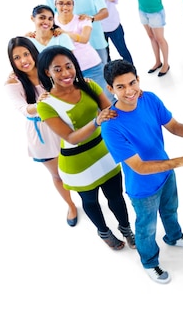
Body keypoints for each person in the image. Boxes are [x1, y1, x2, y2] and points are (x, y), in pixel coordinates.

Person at [101, 60, 183, 284]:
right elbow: (138, 166)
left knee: (170, 210)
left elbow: (174, 126)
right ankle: (149, 262)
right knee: (146, 228)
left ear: (138, 80)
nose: (129, 91)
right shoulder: (111, 125)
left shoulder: (149, 99)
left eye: (132, 82)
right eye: (120, 87)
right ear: (110, 89)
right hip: (142, 187)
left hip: (166, 173)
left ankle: (174, 236)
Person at [36, 46, 134, 250]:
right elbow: (70, 137)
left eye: (69, 66)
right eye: (57, 69)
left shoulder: (88, 85)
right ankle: (104, 232)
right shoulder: (46, 105)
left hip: (106, 153)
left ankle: (126, 229)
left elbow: (111, 111)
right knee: (90, 202)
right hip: (78, 164)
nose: (65, 73)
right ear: (47, 72)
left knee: (116, 195)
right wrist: (97, 122)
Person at [5, 37, 78, 226]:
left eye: (26, 54)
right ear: (12, 61)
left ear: (33, 53)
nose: (23, 60)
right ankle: (70, 205)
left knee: (77, 165)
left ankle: (88, 196)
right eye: (17, 57)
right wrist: (40, 104)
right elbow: (22, 109)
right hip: (41, 134)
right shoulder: (13, 83)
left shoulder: (48, 70)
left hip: (63, 124)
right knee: (57, 175)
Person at [51, 0, 112, 101]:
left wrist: (65, 33)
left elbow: (84, 39)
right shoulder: (51, 22)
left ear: (73, 5)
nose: (65, 7)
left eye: (68, 3)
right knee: (86, 102)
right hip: (69, 71)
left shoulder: (83, 20)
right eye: (60, 3)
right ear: (55, 5)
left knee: (106, 98)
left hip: (91, 66)